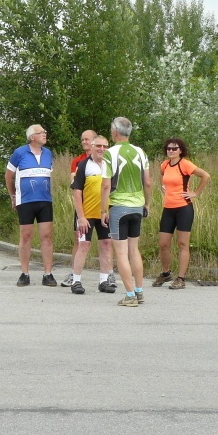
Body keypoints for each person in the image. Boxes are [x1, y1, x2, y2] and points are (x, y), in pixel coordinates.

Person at [100, 117, 151, 307]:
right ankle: (139, 291)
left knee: (121, 253)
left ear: (114, 132)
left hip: (119, 207)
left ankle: (129, 296)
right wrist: (147, 203)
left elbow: (106, 185)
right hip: (137, 206)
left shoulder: (110, 153)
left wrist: (102, 209)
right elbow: (147, 182)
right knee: (134, 250)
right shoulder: (140, 152)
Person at [154, 137, 211, 290]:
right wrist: (163, 186)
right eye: (169, 148)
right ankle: (166, 273)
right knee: (163, 244)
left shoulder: (185, 164)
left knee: (182, 243)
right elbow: (162, 176)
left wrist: (195, 193)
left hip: (183, 208)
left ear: (180, 150)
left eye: (174, 148)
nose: (171, 151)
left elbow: (206, 175)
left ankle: (181, 278)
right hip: (168, 208)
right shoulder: (165, 164)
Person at [5, 124, 56, 287]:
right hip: (25, 201)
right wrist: (13, 195)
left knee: (47, 236)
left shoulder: (48, 153)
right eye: (41, 133)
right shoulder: (19, 153)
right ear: (32, 137)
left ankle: (48, 274)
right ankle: (24, 273)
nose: (45, 134)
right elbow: (9, 175)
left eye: (45, 132)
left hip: (45, 201)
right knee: (26, 236)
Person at [69, 135, 115, 294]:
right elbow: (77, 192)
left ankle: (104, 280)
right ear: (92, 146)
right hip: (86, 214)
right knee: (84, 245)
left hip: (105, 214)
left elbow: (112, 189)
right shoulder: (84, 164)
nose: (102, 149)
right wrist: (80, 217)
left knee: (106, 244)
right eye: (99, 146)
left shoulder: (110, 165)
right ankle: (76, 281)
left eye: (105, 146)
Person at [61, 129, 96, 288]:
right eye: (82, 139)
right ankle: (74, 273)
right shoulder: (78, 161)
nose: (84, 142)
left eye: (87, 139)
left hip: (101, 205)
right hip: (83, 205)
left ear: (94, 141)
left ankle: (107, 275)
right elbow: (74, 184)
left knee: (106, 241)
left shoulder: (105, 158)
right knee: (78, 238)